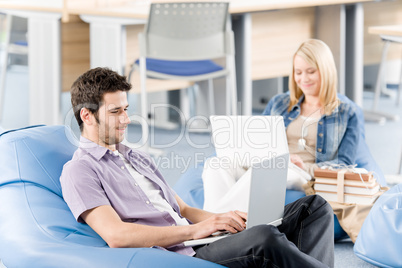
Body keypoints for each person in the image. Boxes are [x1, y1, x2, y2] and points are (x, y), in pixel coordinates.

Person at [60, 67, 334, 268]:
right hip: (178, 255)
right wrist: (195, 231)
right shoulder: (80, 170)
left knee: (314, 207)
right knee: (264, 237)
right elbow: (117, 236)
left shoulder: (137, 157)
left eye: (126, 109)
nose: (127, 119)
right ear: (87, 115)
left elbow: (185, 210)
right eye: (115, 112)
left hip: (201, 241)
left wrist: (225, 219)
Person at [203, 39, 359, 213]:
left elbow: (344, 165)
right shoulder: (279, 103)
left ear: (326, 71)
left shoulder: (346, 113)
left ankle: (212, 222)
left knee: (267, 171)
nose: (303, 79)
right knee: (215, 164)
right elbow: (259, 140)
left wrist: (304, 166)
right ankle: (218, 227)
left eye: (311, 72)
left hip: (303, 174)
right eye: (298, 72)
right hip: (269, 163)